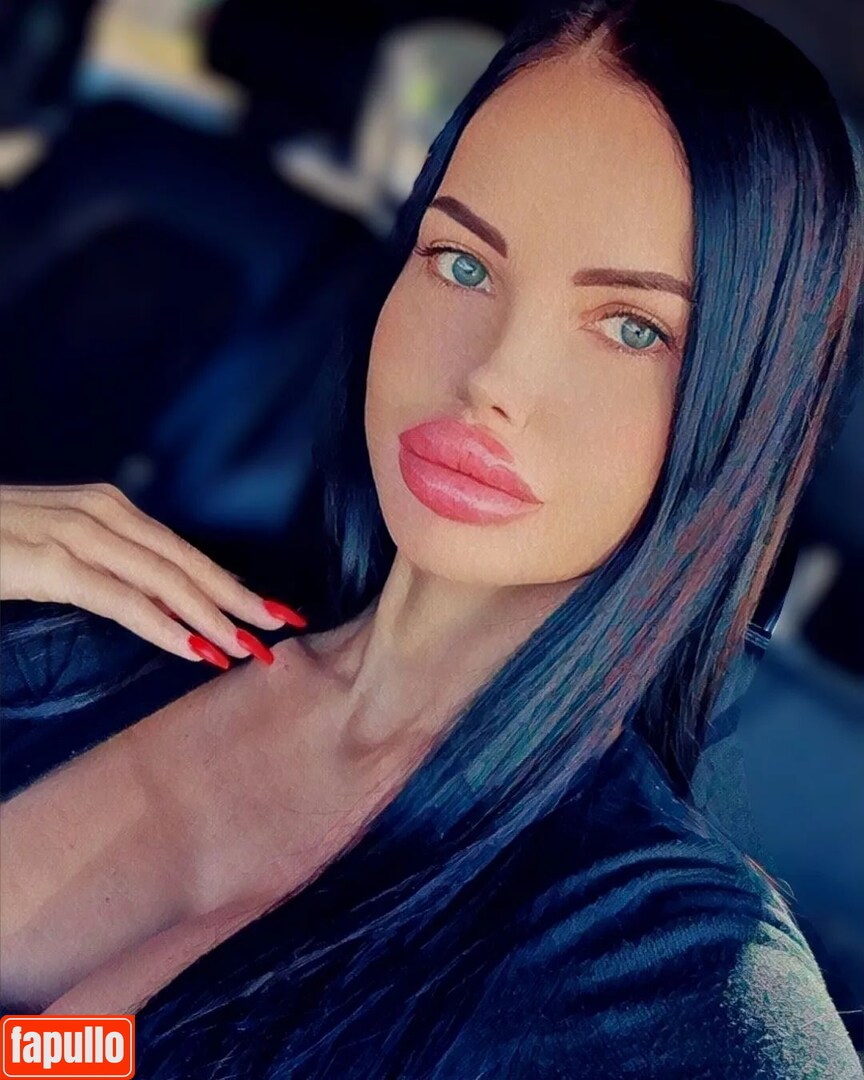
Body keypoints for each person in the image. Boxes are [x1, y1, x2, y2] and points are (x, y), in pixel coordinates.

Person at [1, 0, 863, 1075]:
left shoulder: (666, 972)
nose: (494, 376)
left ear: (740, 410)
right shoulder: (86, 628)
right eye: (462, 262)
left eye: (632, 327)